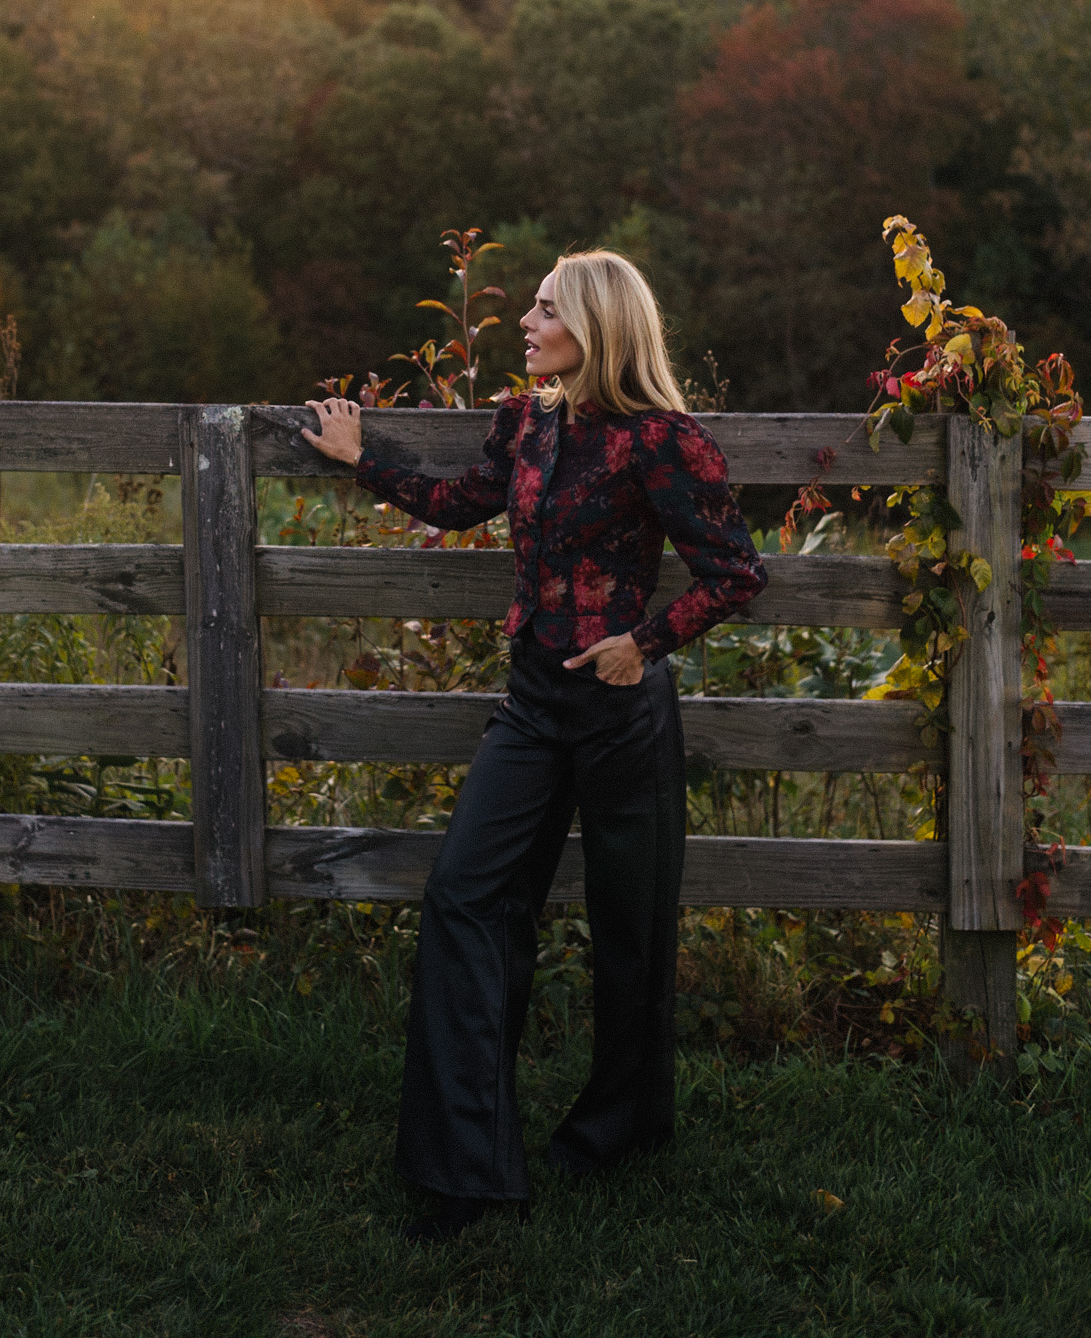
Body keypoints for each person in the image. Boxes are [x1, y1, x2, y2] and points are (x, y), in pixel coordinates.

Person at [301, 251, 767, 1241]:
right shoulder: (524, 420)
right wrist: (361, 457)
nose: (527, 322)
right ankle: (467, 1170)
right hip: (529, 706)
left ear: (595, 327)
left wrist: (642, 645)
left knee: (629, 932)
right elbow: (463, 500)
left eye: (546, 311)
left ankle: (617, 1135)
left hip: (619, 712)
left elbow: (733, 572)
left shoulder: (659, 440)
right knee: (465, 897)